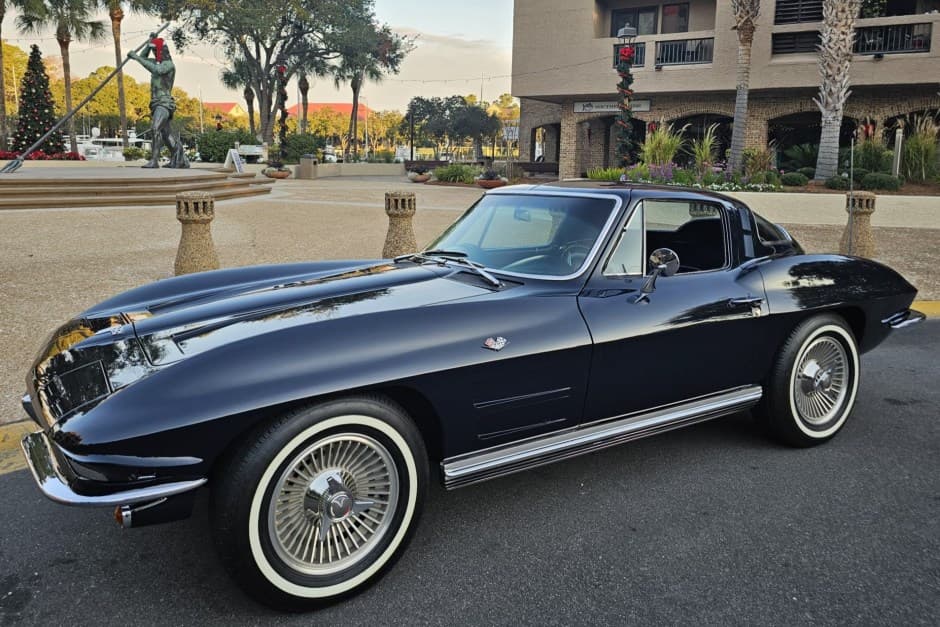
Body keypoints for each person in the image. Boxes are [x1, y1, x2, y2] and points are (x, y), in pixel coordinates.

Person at [128, 37, 189, 169]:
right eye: (154, 52)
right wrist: (149, 43)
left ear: (163, 51)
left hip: (164, 103)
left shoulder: (168, 65)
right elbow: (143, 57)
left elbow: (157, 70)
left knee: (155, 128)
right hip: (156, 103)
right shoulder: (157, 63)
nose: (155, 54)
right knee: (166, 134)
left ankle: (154, 160)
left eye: (156, 51)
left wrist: (136, 58)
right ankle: (179, 158)